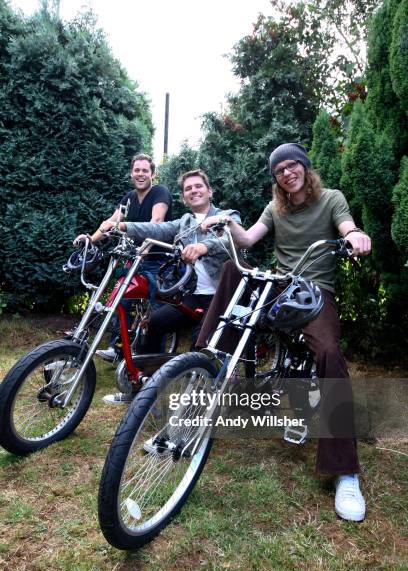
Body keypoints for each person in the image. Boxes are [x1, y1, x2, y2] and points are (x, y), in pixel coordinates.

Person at [199, 143, 371, 522]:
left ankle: (345, 472)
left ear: (305, 168)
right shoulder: (275, 208)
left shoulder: (331, 199)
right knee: (233, 268)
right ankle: (207, 362)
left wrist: (355, 235)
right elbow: (247, 240)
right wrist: (227, 222)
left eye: (292, 166)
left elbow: (346, 226)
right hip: (280, 284)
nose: (286, 173)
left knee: (328, 353)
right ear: (275, 178)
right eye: (279, 170)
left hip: (313, 292)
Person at [99, 168, 241, 403]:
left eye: (198, 186)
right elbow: (157, 228)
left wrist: (205, 247)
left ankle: (200, 404)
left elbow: (231, 237)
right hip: (192, 296)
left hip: (221, 297)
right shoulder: (185, 222)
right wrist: (123, 227)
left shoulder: (227, 215)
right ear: (184, 197)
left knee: (201, 342)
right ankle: (143, 390)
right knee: (154, 323)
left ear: (209, 191)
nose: (193, 191)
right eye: (188, 189)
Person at [74, 153, 172, 362]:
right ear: (131, 173)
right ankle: (118, 349)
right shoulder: (128, 198)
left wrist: (144, 249)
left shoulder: (159, 192)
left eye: (145, 170)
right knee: (120, 301)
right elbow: (111, 222)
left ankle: (155, 358)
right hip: (135, 259)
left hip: (157, 260)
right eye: (137, 170)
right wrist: (90, 239)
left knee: (157, 308)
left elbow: (156, 222)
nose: (140, 174)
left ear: (153, 174)